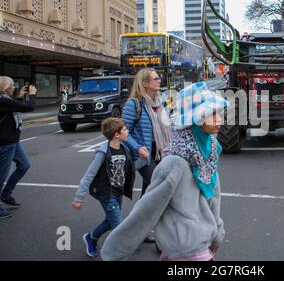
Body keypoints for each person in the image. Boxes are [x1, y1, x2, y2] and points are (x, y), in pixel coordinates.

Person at [100, 82, 228, 261]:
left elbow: (214, 196)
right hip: (183, 248)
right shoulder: (174, 162)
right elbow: (147, 209)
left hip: (202, 243)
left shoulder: (209, 150)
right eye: (212, 114)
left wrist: (217, 233)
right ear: (196, 118)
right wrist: (115, 249)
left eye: (218, 114)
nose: (219, 120)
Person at [72, 118, 136, 258]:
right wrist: (79, 198)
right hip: (107, 194)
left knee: (109, 220)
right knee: (119, 227)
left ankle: (91, 237)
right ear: (116, 135)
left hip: (118, 191)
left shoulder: (124, 149)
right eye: (125, 129)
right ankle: (115, 255)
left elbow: (132, 165)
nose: (128, 131)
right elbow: (89, 175)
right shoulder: (103, 153)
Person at [122, 68, 172, 197]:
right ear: (145, 84)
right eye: (155, 79)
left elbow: (168, 126)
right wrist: (138, 148)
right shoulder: (134, 104)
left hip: (162, 151)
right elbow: (123, 132)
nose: (159, 81)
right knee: (158, 185)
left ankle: (142, 216)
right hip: (144, 155)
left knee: (148, 191)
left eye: (158, 78)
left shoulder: (160, 103)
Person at [0, 77, 37, 219]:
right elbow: (29, 107)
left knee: (24, 165)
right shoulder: (3, 101)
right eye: (12, 85)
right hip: (5, 142)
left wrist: (20, 97)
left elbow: (13, 106)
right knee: (1, 174)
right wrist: (32, 94)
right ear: (6, 87)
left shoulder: (5, 100)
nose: (14, 87)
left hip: (13, 140)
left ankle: (6, 194)